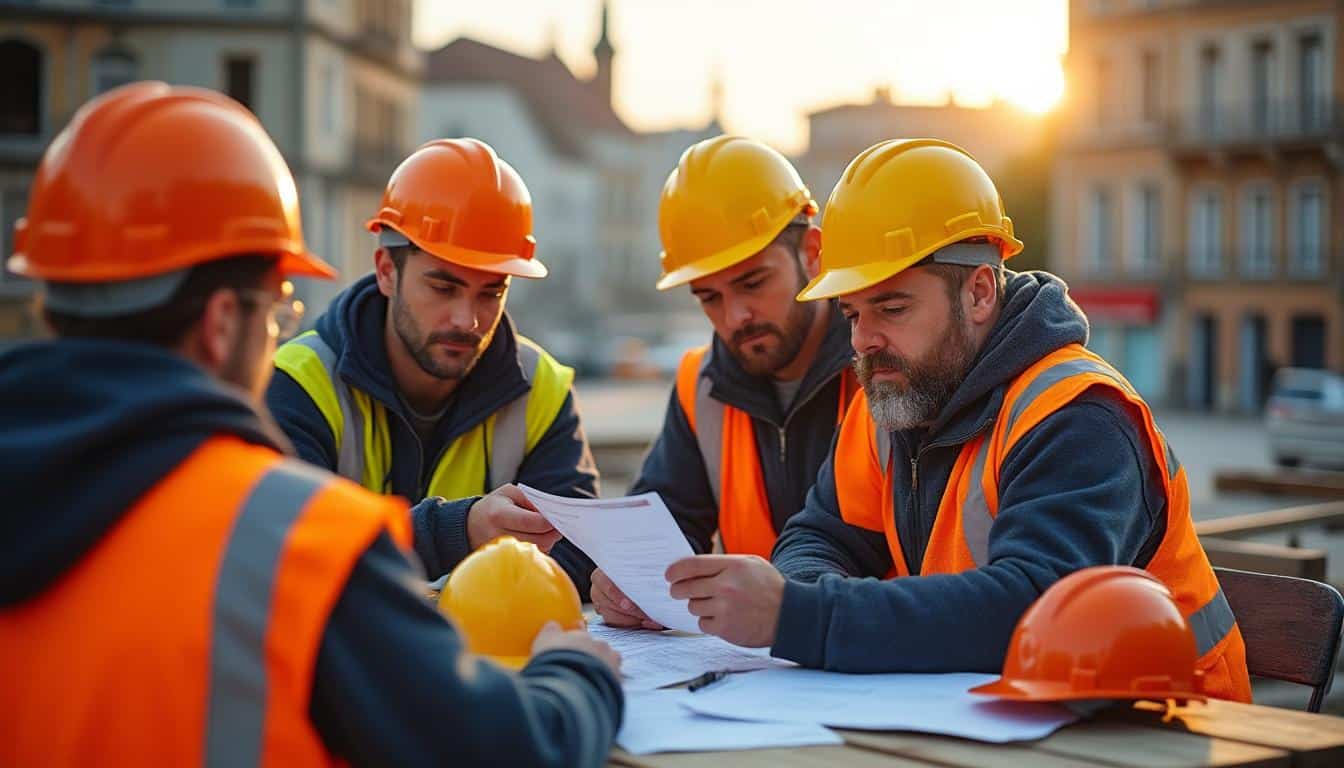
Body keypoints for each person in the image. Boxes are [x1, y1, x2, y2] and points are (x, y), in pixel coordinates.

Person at [0, 82, 623, 767]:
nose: (466, 319)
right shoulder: (288, 538)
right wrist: (577, 673)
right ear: (221, 324)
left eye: (488, 293)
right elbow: (510, 752)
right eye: (278, 307)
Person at [661, 138, 1252, 702]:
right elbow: (818, 536)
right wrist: (807, 606)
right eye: (851, 313)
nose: (864, 341)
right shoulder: (897, 402)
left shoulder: (1079, 415)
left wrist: (802, 616)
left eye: (892, 307)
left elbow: (1034, 607)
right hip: (1016, 720)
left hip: (1175, 732)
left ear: (978, 292)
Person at [267, 138, 601, 597]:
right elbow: (290, 553)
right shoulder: (299, 382)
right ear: (386, 270)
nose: (468, 320)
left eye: (491, 293)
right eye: (444, 288)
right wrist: (457, 533)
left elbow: (582, 554)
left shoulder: (542, 387)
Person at [593, 136, 857, 629]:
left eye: (753, 283)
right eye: (708, 297)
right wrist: (630, 583)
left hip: (877, 668)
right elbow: (664, 535)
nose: (736, 316)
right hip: (750, 677)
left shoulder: (880, 367)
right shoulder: (700, 386)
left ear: (813, 252)